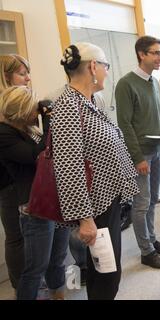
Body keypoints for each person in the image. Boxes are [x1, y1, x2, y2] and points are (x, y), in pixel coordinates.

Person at [52, 42, 139, 300]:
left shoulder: (91, 101)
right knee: (105, 274)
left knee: (109, 271)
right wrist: (84, 218)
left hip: (107, 200)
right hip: (94, 209)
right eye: (105, 66)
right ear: (93, 66)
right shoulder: (68, 105)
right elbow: (68, 166)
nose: (106, 72)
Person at [0, 86, 70, 300]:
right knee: (36, 267)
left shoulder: (28, 128)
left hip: (53, 197)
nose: (37, 112)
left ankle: (58, 294)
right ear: (21, 111)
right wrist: (48, 123)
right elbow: (37, 156)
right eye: (33, 108)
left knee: (58, 257)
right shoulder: (4, 134)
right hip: (34, 205)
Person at [115, 36, 160, 269]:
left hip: (157, 148)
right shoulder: (126, 84)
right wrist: (138, 158)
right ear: (142, 54)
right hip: (141, 154)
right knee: (140, 204)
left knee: (151, 202)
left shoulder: (152, 82)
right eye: (156, 53)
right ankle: (146, 252)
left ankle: (151, 240)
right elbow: (125, 124)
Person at [0, 54, 30, 292]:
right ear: (6, 76)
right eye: (21, 73)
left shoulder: (21, 103)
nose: (27, 78)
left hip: (23, 179)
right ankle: (22, 289)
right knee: (16, 238)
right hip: (8, 183)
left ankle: (32, 285)